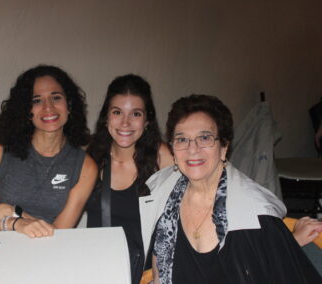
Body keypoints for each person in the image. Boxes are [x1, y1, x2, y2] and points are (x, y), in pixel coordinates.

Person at [150, 95, 321, 283]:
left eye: (205, 137)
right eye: (182, 139)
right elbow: (159, 274)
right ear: (173, 150)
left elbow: (272, 268)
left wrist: (290, 243)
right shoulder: (163, 196)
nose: (192, 149)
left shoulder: (256, 214)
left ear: (224, 147)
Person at [0, 65, 97, 238]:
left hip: (45, 254)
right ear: (25, 110)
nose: (48, 107)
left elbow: (59, 234)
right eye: (36, 100)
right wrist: (14, 223)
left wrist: (12, 211)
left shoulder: (85, 167)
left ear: (69, 104)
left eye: (56, 98)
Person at [85, 74, 173, 284]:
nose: (125, 123)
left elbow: (179, 223)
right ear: (106, 116)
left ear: (147, 120)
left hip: (147, 275)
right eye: (117, 112)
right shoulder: (91, 157)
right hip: (97, 271)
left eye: (135, 113)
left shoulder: (161, 158)